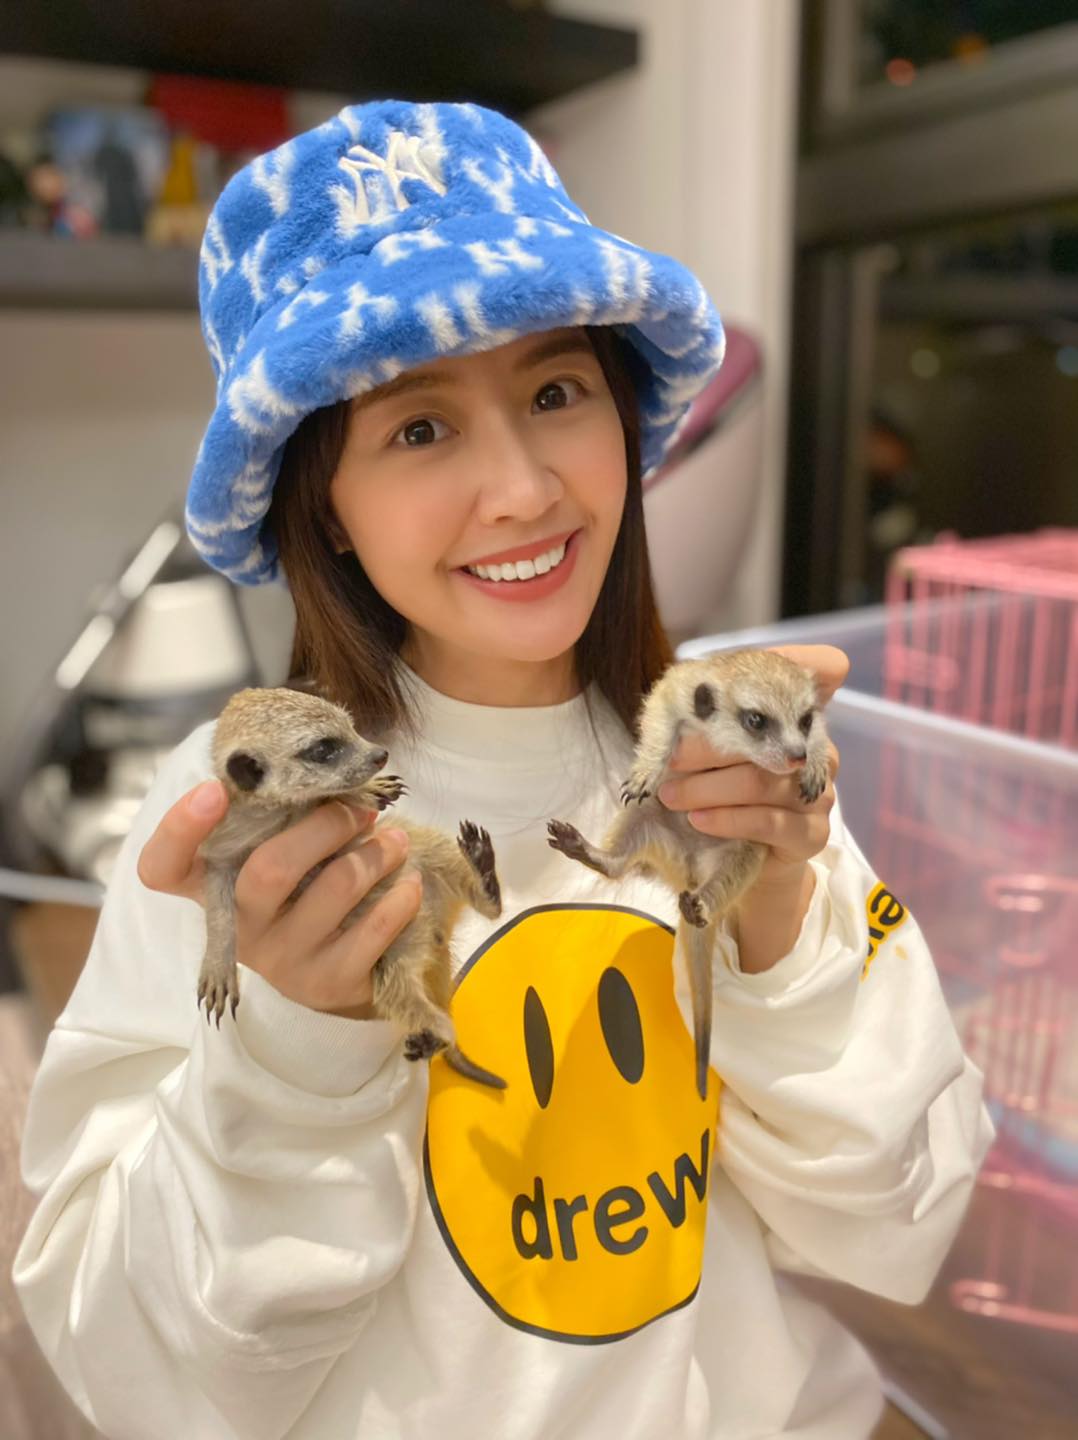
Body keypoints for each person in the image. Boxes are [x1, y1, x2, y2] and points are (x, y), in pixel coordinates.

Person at [13, 99, 993, 1440]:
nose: (526, 488)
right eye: (419, 430)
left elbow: (894, 1221)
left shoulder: (724, 752)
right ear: (323, 507)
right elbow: (142, 1376)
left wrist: (778, 913)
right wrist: (293, 1043)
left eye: (554, 392)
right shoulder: (246, 824)